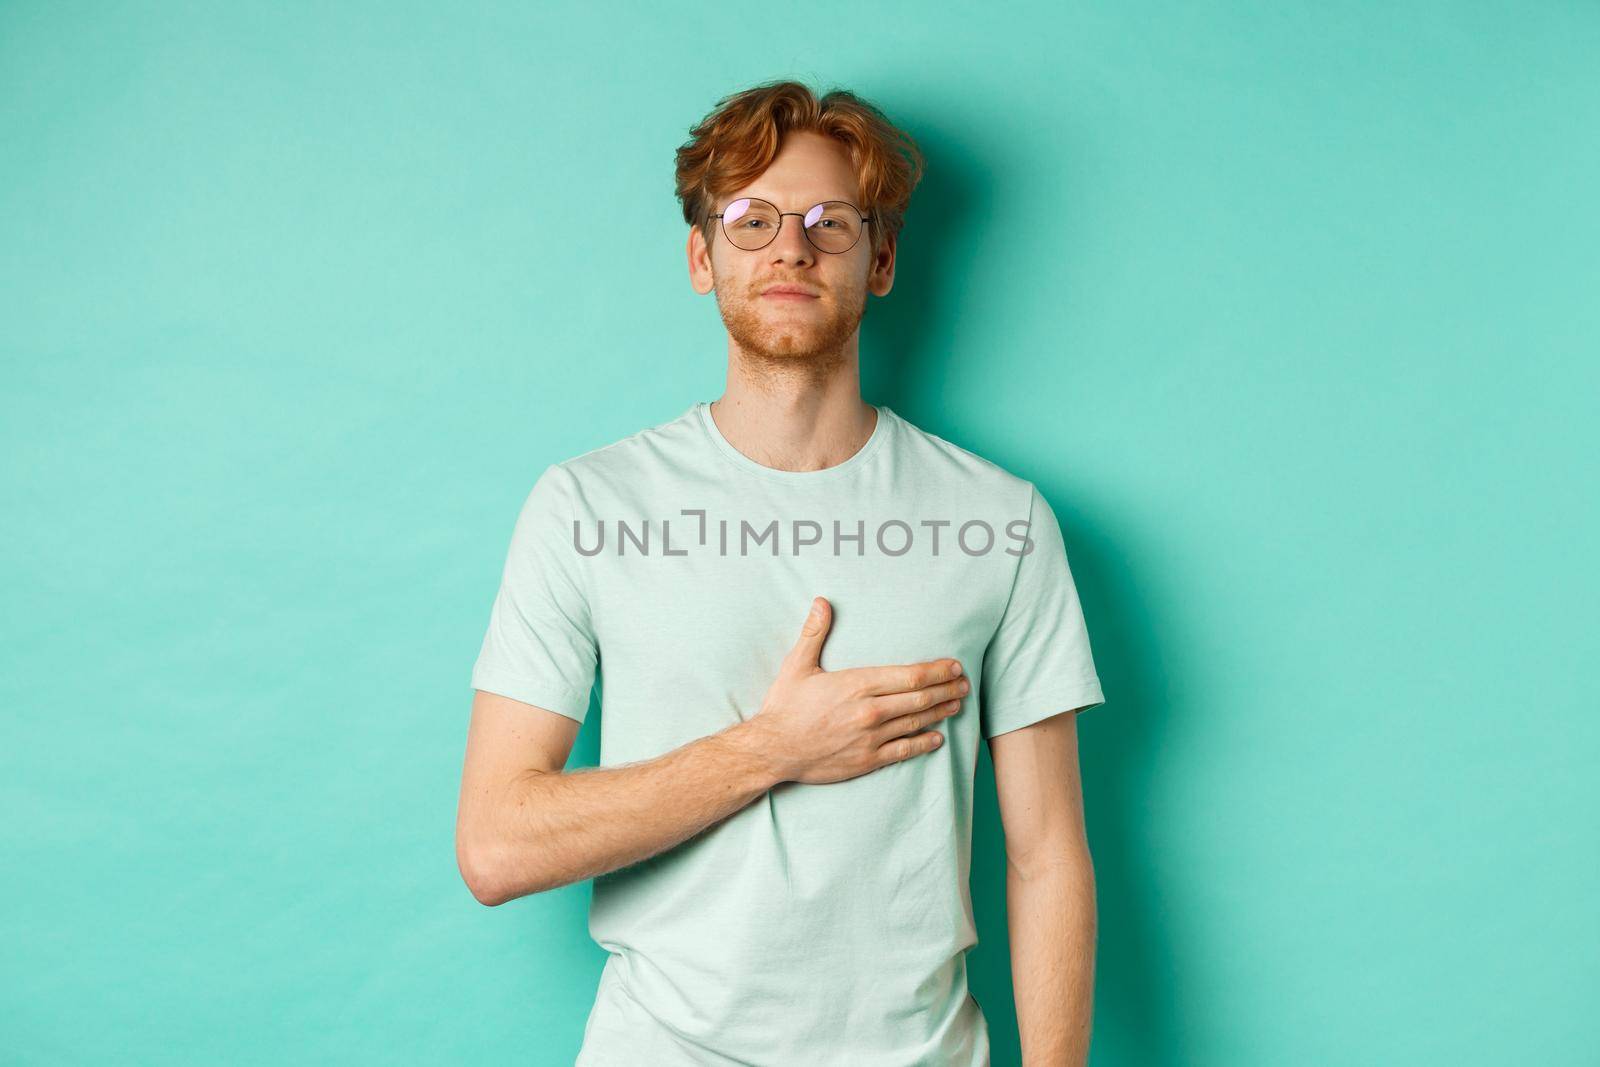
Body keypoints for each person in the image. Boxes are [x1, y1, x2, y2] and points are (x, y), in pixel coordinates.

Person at [456, 79, 1108, 1067]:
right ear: (700, 256)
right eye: (750, 220)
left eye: (827, 222)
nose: (790, 248)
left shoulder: (998, 521)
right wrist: (772, 747)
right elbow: (497, 843)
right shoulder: (588, 506)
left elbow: (1047, 852)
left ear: (880, 258)